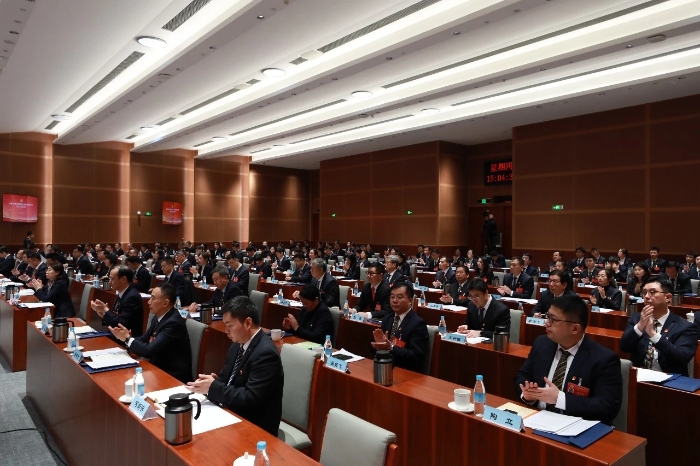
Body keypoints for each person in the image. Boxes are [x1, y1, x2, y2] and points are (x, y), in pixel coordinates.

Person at [515, 295, 623, 425]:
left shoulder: (604, 359)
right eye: (547, 316)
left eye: (553, 319)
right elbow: (522, 375)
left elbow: (607, 407)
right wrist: (528, 395)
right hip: (536, 419)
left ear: (575, 329)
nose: (546, 323)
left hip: (576, 427)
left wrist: (560, 399)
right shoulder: (542, 343)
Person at [187, 296, 284, 436]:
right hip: (232, 414)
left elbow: (250, 399)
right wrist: (211, 382)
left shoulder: (266, 354)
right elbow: (226, 378)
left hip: (256, 428)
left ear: (248, 323)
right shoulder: (236, 346)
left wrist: (214, 387)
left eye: (230, 325)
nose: (226, 331)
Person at [109, 283, 192, 383]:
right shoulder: (159, 317)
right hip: (157, 368)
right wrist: (125, 338)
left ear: (165, 303)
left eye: (153, 298)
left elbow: (148, 351)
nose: (148, 302)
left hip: (172, 377)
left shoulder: (173, 323)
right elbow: (144, 339)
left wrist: (127, 339)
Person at [619, 278, 699, 376]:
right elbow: (624, 347)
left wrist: (653, 335)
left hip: (669, 379)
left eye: (652, 292)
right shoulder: (636, 319)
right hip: (638, 376)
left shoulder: (686, 327)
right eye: (644, 292)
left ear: (668, 297)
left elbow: (682, 358)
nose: (646, 296)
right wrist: (639, 326)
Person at [371, 281, 429, 373]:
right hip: (385, 367)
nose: (394, 300)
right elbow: (377, 349)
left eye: (399, 297)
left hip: (406, 372)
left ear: (410, 301)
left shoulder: (417, 323)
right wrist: (379, 345)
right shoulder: (387, 318)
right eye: (392, 297)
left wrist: (391, 347)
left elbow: (416, 356)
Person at [91, 266, 145, 337]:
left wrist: (105, 310)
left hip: (128, 339)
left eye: (112, 279)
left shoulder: (132, 297)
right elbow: (117, 319)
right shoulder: (122, 292)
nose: (110, 282)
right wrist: (103, 314)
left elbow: (121, 324)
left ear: (123, 279)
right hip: (117, 335)